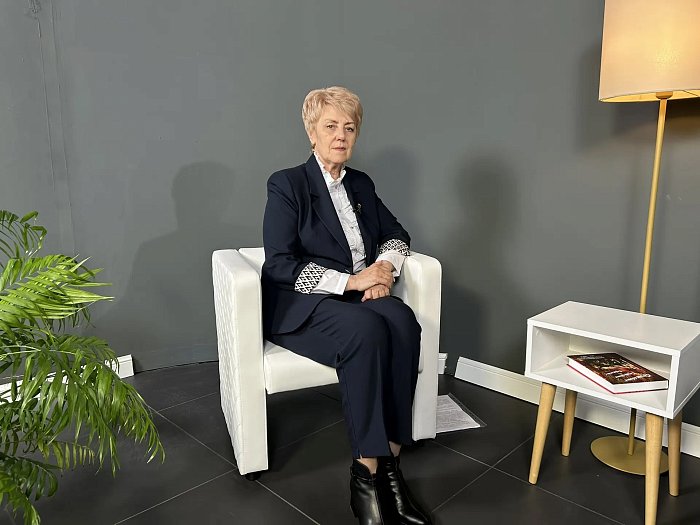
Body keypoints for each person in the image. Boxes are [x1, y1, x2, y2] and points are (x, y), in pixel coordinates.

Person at [261, 86, 431, 525]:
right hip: (304, 305)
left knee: (403, 321)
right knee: (367, 331)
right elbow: (279, 264)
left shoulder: (360, 184)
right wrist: (353, 281)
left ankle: (392, 466)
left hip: (358, 298)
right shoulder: (287, 184)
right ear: (312, 132)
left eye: (349, 127)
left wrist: (384, 270)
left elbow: (396, 235)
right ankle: (365, 474)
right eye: (331, 126)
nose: (341, 135)